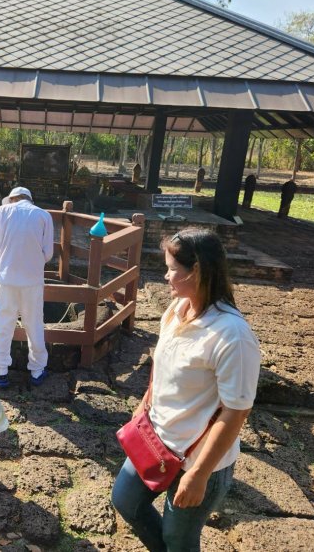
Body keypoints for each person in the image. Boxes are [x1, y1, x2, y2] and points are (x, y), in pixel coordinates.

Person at [111, 228, 261, 552]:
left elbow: (237, 410)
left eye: (171, 269)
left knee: (178, 538)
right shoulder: (177, 308)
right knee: (125, 500)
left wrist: (199, 475)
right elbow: (161, 361)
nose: (165, 276)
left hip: (196, 460)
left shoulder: (231, 335)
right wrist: (145, 401)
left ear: (197, 271)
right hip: (155, 438)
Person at [0, 186, 53, 388]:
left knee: (3, 324)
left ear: (13, 198)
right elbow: (48, 253)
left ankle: (0, 371)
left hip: (7, 279)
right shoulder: (44, 215)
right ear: (29, 199)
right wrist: (33, 261)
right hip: (32, 280)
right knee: (34, 324)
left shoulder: (1, 212)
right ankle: (36, 370)